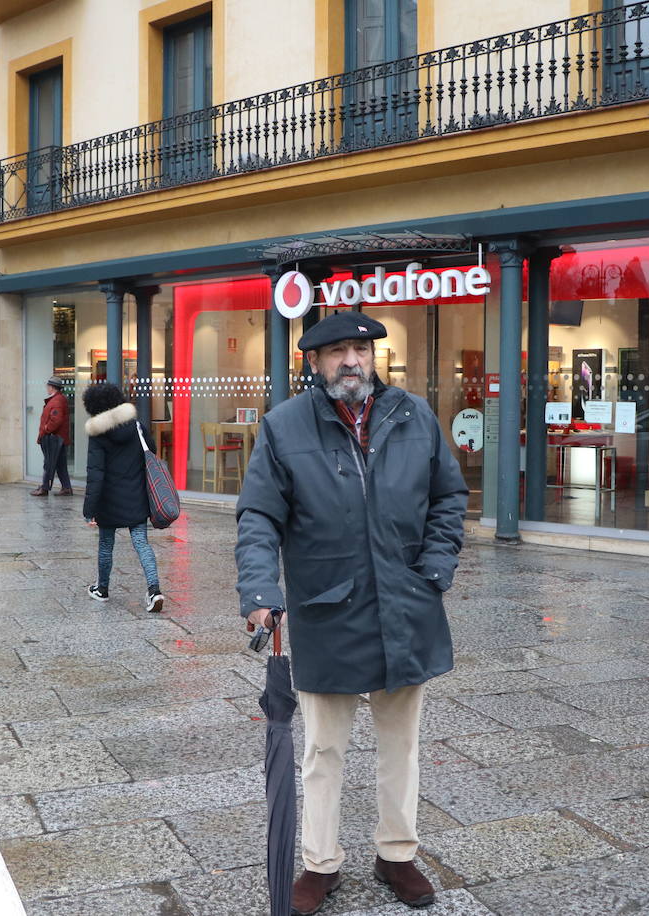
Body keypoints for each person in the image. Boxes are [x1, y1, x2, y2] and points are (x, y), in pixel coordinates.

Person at [235, 311, 468, 914]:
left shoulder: (415, 415)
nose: (352, 360)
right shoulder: (284, 427)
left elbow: (448, 496)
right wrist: (261, 591)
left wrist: (436, 568)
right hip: (325, 611)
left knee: (402, 745)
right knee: (322, 752)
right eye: (336, 351)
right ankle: (320, 863)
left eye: (360, 349)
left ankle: (396, 854)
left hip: (406, 608)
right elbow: (258, 517)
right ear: (313, 363)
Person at [81, 382, 164, 613]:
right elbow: (153, 449)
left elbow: (95, 474)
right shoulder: (136, 426)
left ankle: (102, 589)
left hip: (108, 500)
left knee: (106, 545)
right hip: (137, 495)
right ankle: (154, 590)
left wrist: (89, 509)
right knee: (141, 543)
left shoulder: (98, 435)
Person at [32, 378, 73, 496]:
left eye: (48, 386)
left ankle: (44, 488)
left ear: (52, 387)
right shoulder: (58, 399)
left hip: (55, 439)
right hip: (58, 439)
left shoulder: (57, 401)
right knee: (60, 465)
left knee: (49, 463)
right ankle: (66, 488)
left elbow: (56, 420)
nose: (47, 388)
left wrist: (46, 429)